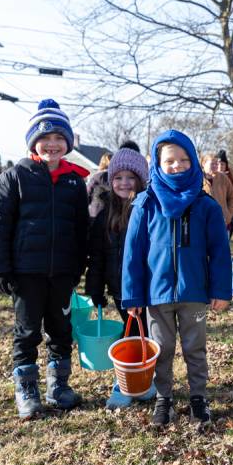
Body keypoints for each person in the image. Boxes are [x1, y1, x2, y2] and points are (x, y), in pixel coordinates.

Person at [121, 130, 231, 428]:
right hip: (157, 295)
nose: (177, 165)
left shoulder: (206, 205)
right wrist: (132, 296)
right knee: (162, 348)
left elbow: (220, 251)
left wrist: (221, 289)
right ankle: (164, 398)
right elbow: (133, 253)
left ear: (193, 161)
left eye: (184, 159)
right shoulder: (145, 203)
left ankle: (198, 397)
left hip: (194, 293)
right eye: (170, 160)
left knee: (195, 347)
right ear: (158, 162)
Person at [0, 99, 90, 419]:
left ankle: (58, 385)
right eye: (45, 138)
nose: (52, 144)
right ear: (34, 141)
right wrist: (0, 268)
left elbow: (81, 228)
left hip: (61, 271)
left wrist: (78, 265)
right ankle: (27, 389)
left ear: (67, 143)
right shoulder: (14, 177)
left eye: (59, 138)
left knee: (60, 328)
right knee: (27, 330)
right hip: (25, 271)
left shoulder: (75, 182)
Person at [85, 147, 156, 409]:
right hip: (119, 290)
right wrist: (95, 288)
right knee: (131, 336)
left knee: (147, 336)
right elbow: (97, 255)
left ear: (141, 180)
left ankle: (144, 380)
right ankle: (128, 383)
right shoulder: (105, 214)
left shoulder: (150, 209)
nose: (124, 183)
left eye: (130, 178)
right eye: (118, 178)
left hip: (149, 290)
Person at [201, 152, 233, 229]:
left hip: (222, 222)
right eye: (212, 164)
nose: (215, 166)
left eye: (216, 164)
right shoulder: (197, 179)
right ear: (204, 164)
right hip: (202, 223)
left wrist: (228, 214)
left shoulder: (223, 178)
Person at [88, 151, 113, 219]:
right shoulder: (117, 177)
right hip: (112, 211)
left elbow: (87, 193)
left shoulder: (96, 176)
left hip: (95, 211)